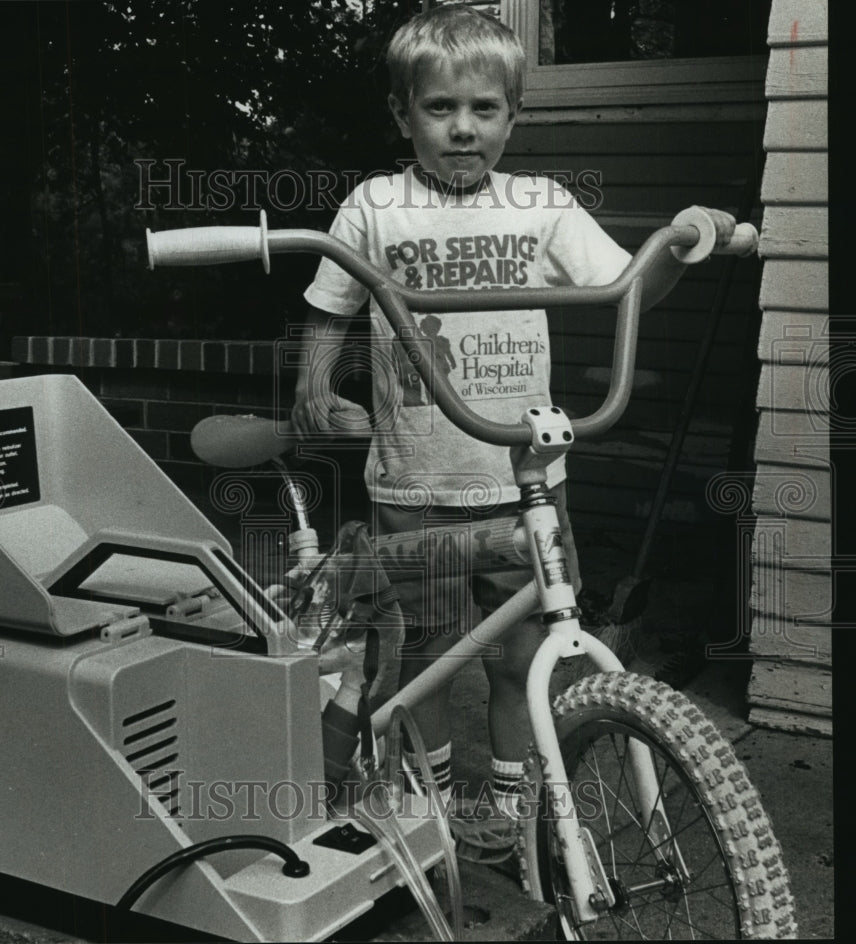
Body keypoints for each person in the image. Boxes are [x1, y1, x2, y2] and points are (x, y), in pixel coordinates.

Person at [291, 3, 732, 862]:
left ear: (512, 116)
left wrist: (677, 246)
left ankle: (510, 804)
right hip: (415, 481)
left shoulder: (543, 205)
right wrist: (314, 382)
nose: (463, 130)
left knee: (517, 659)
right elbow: (328, 302)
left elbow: (626, 290)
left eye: (484, 110)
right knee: (425, 661)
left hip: (522, 473)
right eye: (439, 108)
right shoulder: (375, 207)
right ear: (402, 113)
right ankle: (433, 799)